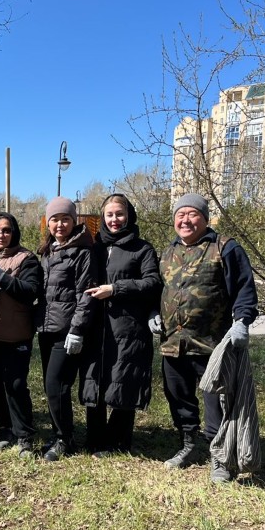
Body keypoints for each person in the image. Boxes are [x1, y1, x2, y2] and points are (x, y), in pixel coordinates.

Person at [151, 193, 258, 482]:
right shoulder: (167, 252)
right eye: (180, 215)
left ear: (205, 217)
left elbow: (244, 288)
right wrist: (153, 313)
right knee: (178, 397)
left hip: (213, 344)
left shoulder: (225, 248)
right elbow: (158, 289)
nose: (185, 220)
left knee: (216, 401)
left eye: (192, 214)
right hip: (174, 343)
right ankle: (188, 444)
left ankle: (219, 457)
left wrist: (242, 322)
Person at [82, 194, 162, 455]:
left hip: (128, 326)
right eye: (109, 215)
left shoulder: (142, 249)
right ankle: (95, 438)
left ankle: (118, 440)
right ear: (102, 218)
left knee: (123, 378)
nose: (114, 220)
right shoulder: (94, 247)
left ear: (129, 216)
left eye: (120, 214)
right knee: (95, 378)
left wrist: (116, 289)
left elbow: (152, 283)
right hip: (96, 325)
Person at [0, 211, 42, 455]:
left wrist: (4, 280)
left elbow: (31, 291)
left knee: (15, 384)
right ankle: (5, 426)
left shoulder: (27, 259)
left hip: (16, 334)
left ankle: (23, 433)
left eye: (6, 230)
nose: (0, 235)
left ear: (14, 232)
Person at [36, 197, 96, 460]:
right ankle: (58, 432)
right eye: (54, 219)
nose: (59, 224)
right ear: (47, 223)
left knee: (56, 384)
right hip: (46, 328)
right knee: (52, 385)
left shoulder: (84, 252)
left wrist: (77, 330)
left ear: (74, 221)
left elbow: (86, 293)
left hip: (66, 330)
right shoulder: (49, 251)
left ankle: (64, 438)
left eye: (65, 219)